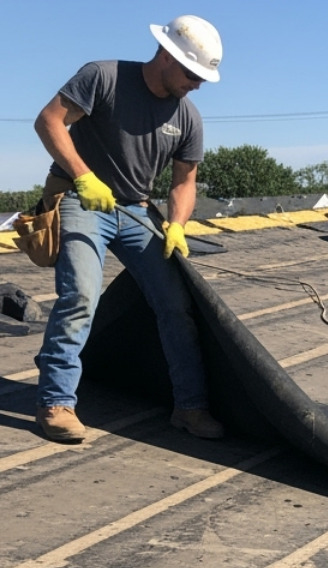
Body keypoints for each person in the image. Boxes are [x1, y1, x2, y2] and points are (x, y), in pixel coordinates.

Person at [32, 15, 226, 445]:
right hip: (84, 200)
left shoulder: (187, 116)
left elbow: (184, 182)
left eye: (202, 78)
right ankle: (56, 402)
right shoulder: (103, 77)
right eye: (192, 74)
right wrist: (83, 176)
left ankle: (189, 408)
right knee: (80, 294)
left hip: (138, 212)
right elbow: (48, 121)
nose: (196, 84)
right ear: (166, 55)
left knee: (176, 303)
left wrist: (176, 225)